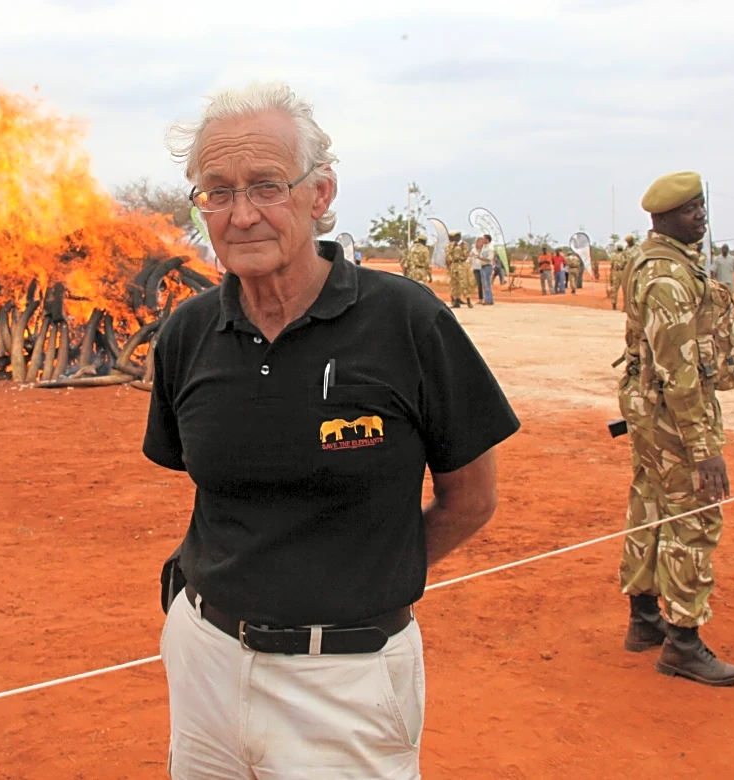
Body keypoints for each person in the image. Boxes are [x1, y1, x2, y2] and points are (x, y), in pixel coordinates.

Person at [146, 82, 521, 779]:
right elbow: (215, 493)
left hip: (347, 680)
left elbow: (472, 499)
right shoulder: (188, 334)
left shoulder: (408, 322)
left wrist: (361, 582)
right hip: (204, 662)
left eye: (266, 186)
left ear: (320, 194)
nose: (242, 214)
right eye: (217, 191)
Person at [616, 170, 734, 687]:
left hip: (651, 410)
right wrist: (703, 447)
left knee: (650, 506)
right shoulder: (667, 277)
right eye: (692, 210)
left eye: (701, 207)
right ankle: (682, 643)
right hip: (674, 414)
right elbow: (680, 371)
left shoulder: (661, 263)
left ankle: (644, 621)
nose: (702, 218)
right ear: (664, 217)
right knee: (694, 516)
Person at [446, 230, 473, 308]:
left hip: (462, 264)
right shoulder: (450, 245)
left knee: (464, 282)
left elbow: (466, 254)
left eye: (458, 236)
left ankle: (468, 300)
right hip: (453, 264)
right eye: (455, 236)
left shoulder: (464, 245)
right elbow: (448, 254)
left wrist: (460, 250)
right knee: (454, 283)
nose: (456, 237)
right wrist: (453, 248)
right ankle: (456, 300)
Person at [608, 244, 628, 310]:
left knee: (615, 289)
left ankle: (614, 304)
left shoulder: (614, 256)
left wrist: (610, 277)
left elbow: (611, 266)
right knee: (625, 289)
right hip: (624, 272)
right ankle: (625, 306)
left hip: (616, 272)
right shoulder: (625, 255)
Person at [480, 234, 495, 305]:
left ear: (487, 239)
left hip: (487, 266)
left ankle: (488, 300)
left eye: (484, 239)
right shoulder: (484, 247)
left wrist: (480, 258)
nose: (482, 240)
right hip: (483, 266)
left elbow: (489, 259)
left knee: (487, 283)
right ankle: (488, 299)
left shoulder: (490, 248)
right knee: (485, 284)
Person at [469, 236, 484, 302]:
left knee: (484, 283)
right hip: (476, 268)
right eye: (480, 242)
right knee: (479, 283)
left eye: (482, 242)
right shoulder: (473, 250)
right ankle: (480, 299)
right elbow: (469, 258)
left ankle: (485, 298)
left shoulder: (484, 250)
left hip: (483, 267)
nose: (481, 243)